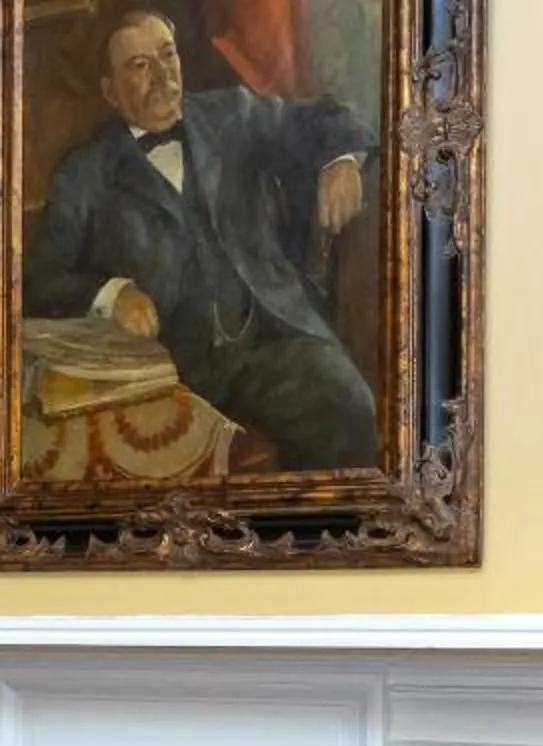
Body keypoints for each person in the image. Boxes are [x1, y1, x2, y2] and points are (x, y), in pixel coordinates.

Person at [28, 8, 378, 470]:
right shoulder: (85, 174)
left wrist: (341, 161)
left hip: (274, 343)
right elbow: (39, 278)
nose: (162, 74)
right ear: (111, 92)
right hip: (172, 369)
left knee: (350, 407)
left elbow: (325, 120)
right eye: (139, 65)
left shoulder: (230, 114)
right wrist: (113, 294)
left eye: (167, 54)